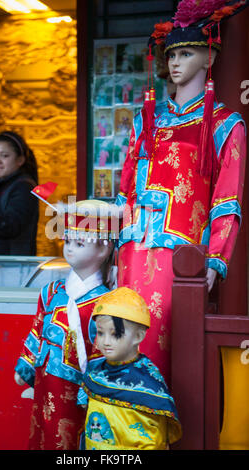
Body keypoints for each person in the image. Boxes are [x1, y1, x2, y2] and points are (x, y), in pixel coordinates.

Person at [115, 0, 247, 386]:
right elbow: (126, 188)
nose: (175, 62)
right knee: (121, 339)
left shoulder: (224, 124)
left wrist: (215, 260)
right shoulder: (147, 119)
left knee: (162, 346)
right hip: (131, 249)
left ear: (209, 57)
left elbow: (228, 198)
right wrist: (113, 245)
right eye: (171, 53)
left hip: (180, 254)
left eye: (186, 53)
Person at [14, 199, 120, 450]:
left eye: (80, 243)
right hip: (44, 382)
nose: (70, 249)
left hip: (79, 393)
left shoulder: (106, 302)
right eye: (68, 241)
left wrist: (93, 388)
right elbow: (36, 332)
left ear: (104, 250)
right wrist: (25, 367)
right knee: (41, 435)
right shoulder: (50, 292)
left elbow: (103, 353)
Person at [79, 287, 182, 450]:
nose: (105, 342)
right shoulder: (95, 373)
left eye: (115, 334)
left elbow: (153, 441)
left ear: (138, 336)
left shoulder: (148, 383)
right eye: (100, 333)